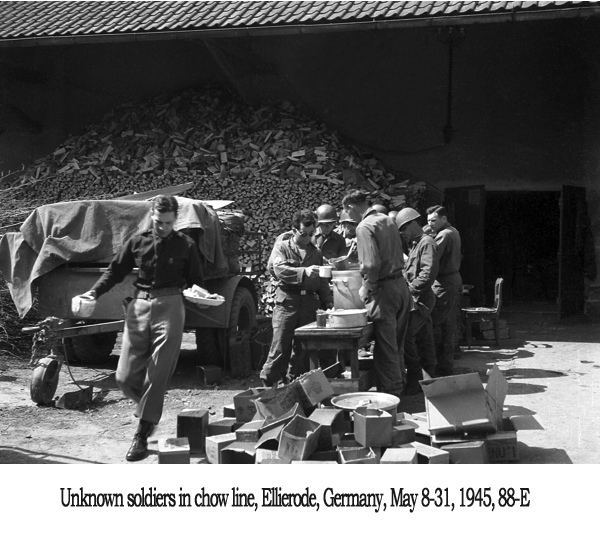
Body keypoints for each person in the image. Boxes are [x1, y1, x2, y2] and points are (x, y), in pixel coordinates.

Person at [79, 195, 204, 461]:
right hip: (138, 306)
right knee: (124, 378)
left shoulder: (186, 245)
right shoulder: (138, 242)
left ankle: (142, 432)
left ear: (175, 220)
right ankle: (149, 410)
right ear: (152, 216)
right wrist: (94, 293)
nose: (164, 228)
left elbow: (196, 281)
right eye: (159, 222)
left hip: (171, 306)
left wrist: (199, 294)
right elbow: (114, 271)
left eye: (169, 223)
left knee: (158, 373)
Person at [342, 190, 411, 398]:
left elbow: (371, 264)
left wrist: (367, 286)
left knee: (385, 348)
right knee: (397, 345)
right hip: (401, 286)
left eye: (347, 213)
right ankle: (400, 384)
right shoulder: (387, 220)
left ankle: (392, 396)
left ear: (351, 207)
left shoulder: (364, 226)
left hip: (384, 292)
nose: (349, 219)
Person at [260, 210, 333, 387]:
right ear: (294, 231)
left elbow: (322, 282)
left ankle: (295, 385)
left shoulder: (315, 253)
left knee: (303, 349)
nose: (308, 238)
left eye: (311, 234)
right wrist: (303, 271)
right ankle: (269, 385)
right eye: (304, 234)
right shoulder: (283, 247)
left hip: (308, 304)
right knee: (280, 346)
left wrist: (329, 302)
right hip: (287, 302)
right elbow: (279, 270)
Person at [396, 208, 439, 395]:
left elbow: (427, 274)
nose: (403, 233)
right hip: (418, 298)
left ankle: (415, 380)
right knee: (424, 339)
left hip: (420, 299)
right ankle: (429, 381)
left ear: (413, 223)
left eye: (404, 228)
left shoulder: (426, 243)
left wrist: (409, 290)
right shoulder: (415, 244)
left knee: (406, 337)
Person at [427, 205, 463, 376]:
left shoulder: (444, 235)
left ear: (443, 218)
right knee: (448, 325)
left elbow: (432, 258)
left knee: (436, 324)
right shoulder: (453, 231)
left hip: (444, 283)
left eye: (433, 220)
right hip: (452, 280)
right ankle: (446, 366)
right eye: (428, 221)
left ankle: (436, 366)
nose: (431, 224)